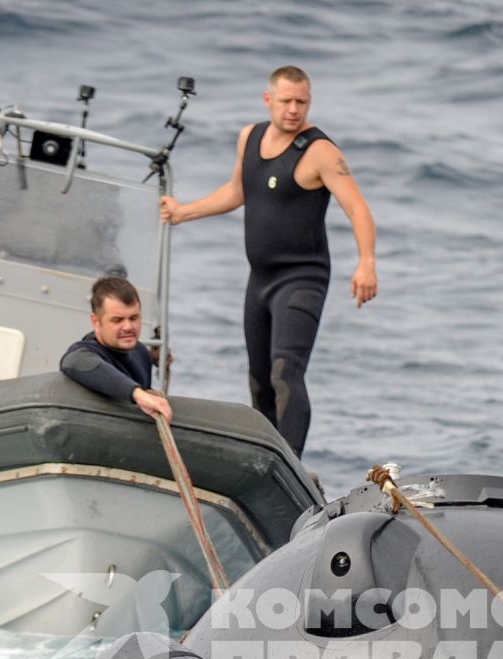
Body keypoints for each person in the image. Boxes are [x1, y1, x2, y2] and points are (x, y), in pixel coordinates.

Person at [159, 65, 377, 455]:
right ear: (268, 100)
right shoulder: (251, 136)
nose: (294, 109)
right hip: (259, 278)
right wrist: (183, 212)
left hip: (303, 278)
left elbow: (358, 208)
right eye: (287, 101)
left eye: (302, 102)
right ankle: (265, 456)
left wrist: (366, 262)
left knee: (285, 373)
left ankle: (289, 463)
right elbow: (237, 191)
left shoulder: (321, 152)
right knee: (259, 379)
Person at [60, 276, 173, 422]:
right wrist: (137, 394)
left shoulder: (141, 352)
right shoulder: (85, 353)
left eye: (134, 318)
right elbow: (73, 361)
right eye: (117, 320)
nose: (128, 327)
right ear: (96, 322)